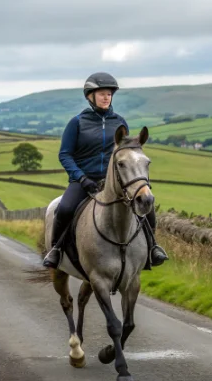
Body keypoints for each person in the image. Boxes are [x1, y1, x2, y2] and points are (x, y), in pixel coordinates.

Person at [43, 72, 168, 269]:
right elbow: (65, 155)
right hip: (84, 180)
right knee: (65, 208)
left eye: (109, 94)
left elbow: (126, 153)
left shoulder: (119, 122)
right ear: (90, 96)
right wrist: (81, 178)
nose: (106, 97)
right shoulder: (77, 123)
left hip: (113, 181)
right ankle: (56, 250)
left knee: (147, 207)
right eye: (101, 94)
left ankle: (152, 248)